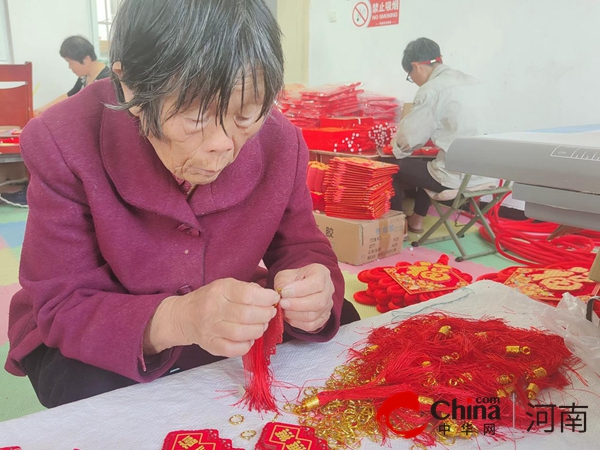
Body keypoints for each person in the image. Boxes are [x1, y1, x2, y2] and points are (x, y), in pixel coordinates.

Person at [6, 0, 359, 408]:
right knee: (86, 389)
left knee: (338, 319)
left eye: (246, 115)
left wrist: (312, 287)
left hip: (220, 310)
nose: (223, 144)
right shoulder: (61, 140)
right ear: (131, 87)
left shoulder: (281, 141)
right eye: (195, 117)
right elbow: (63, 301)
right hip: (102, 322)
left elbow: (300, 244)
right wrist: (180, 318)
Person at [389, 38, 495, 233]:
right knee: (428, 165)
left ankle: (396, 229)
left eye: (410, 76)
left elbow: (408, 139)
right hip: (487, 172)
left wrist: (394, 145)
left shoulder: (432, 89)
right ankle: (417, 219)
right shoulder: (472, 82)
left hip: (457, 177)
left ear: (416, 66)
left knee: (390, 167)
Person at [34, 36, 111, 116]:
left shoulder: (106, 80)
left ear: (86, 59)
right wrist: (43, 109)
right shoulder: (84, 78)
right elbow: (70, 95)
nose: (69, 67)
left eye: (70, 62)